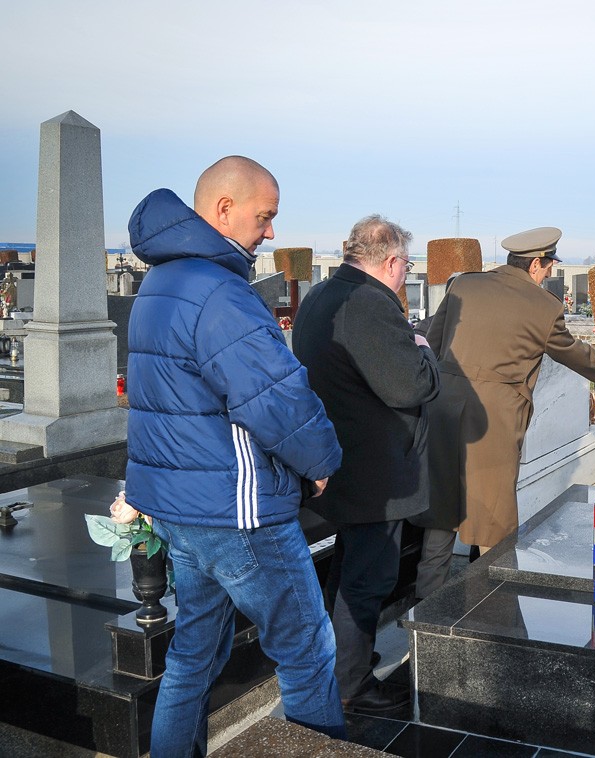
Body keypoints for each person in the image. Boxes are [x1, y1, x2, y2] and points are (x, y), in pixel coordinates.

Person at [125, 156, 345, 756]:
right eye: (264, 216)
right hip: (237, 512)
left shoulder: (162, 282)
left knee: (194, 655)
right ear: (224, 209)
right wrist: (322, 461)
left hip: (180, 509)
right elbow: (276, 399)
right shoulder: (220, 292)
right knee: (306, 650)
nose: (270, 231)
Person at [414, 227, 595, 593]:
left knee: (440, 518)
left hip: (444, 410)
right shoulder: (542, 306)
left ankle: (423, 620)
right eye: (547, 268)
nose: (547, 276)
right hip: (493, 420)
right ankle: (488, 620)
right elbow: (574, 353)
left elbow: (432, 343)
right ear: (535, 265)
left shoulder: (464, 285)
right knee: (493, 521)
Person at [292, 215, 439, 714]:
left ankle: (340, 665)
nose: (406, 273)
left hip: (342, 457)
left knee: (346, 573)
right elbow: (410, 386)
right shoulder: (371, 305)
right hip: (376, 470)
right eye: (407, 265)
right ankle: (351, 685)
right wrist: (423, 350)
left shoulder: (321, 295)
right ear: (393, 262)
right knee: (367, 578)